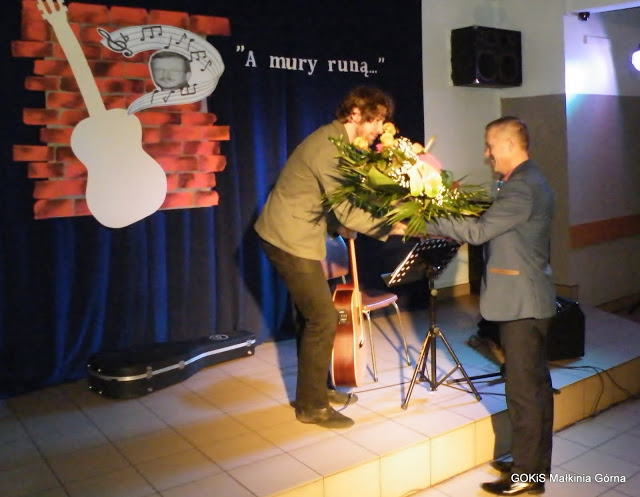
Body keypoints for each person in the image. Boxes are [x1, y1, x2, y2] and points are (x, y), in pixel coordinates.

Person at [255, 86, 405, 429]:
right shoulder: (328, 146)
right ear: (355, 113)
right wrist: (393, 226)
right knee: (322, 318)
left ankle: (318, 390)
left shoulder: (339, 144)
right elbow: (348, 210)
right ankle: (312, 407)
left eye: (382, 120)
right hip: (286, 237)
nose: (379, 128)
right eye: (375, 119)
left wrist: (340, 223)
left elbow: (324, 199)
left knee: (312, 318)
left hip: (296, 234)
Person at [424, 116, 555, 496]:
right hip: (527, 299)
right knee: (534, 389)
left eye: (490, 145)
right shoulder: (526, 180)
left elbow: (480, 232)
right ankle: (532, 464)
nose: (486, 153)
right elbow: (492, 225)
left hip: (522, 302)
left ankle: (527, 475)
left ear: (510, 144)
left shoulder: (522, 187)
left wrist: (428, 220)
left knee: (524, 392)